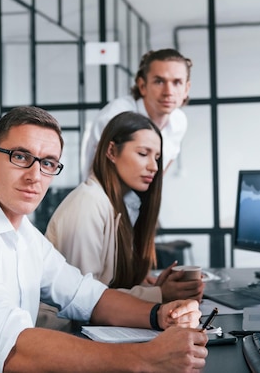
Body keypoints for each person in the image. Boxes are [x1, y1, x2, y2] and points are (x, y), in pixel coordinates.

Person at [0, 106, 208, 372]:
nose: (35, 175)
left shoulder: (23, 234)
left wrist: (158, 314)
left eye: (48, 163)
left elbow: (87, 296)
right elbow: (13, 348)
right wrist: (144, 360)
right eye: (21, 157)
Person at [46, 111, 204, 304]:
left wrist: (155, 288)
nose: (154, 166)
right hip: (67, 330)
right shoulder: (88, 204)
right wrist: (159, 295)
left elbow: (107, 287)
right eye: (143, 154)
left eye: (157, 157)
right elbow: (83, 300)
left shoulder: (124, 205)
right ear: (112, 151)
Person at [81, 48, 192, 179]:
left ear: (186, 89)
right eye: (159, 81)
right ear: (142, 86)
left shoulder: (179, 121)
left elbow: (165, 164)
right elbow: (98, 176)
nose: (168, 91)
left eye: (177, 82)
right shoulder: (115, 117)